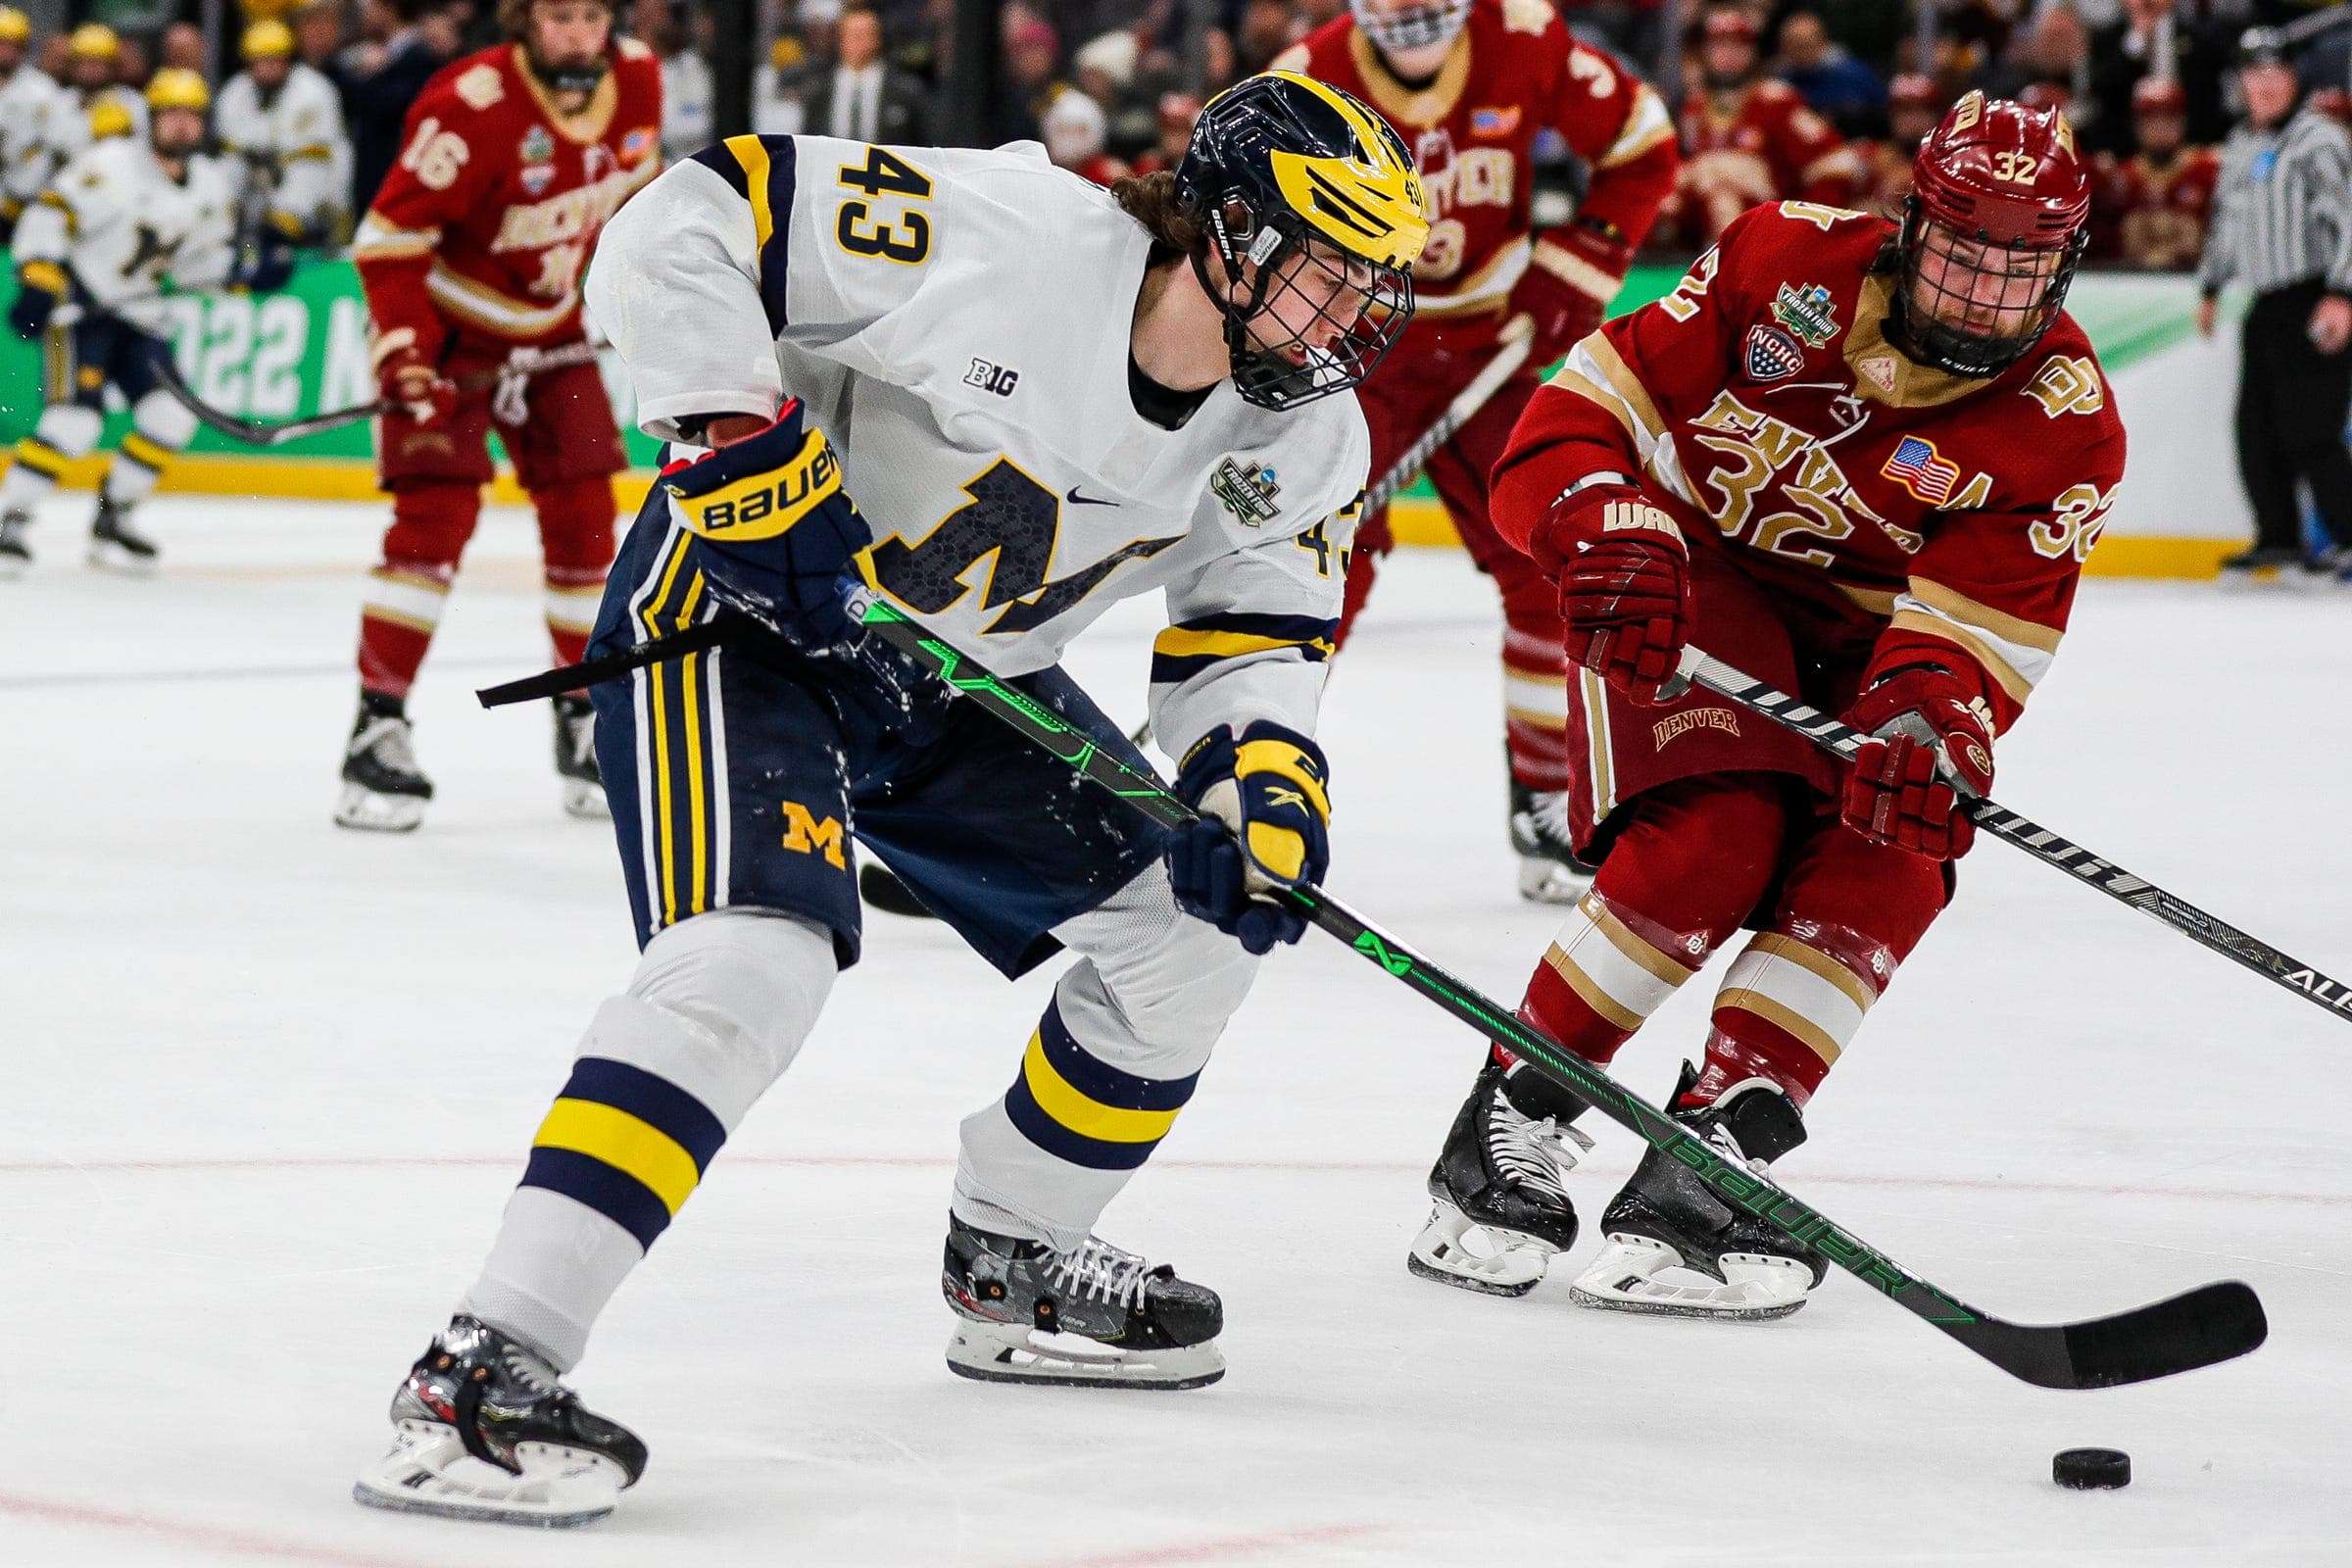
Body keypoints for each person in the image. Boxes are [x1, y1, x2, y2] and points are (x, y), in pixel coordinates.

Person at [349, 71, 1426, 1527]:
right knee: (760, 953)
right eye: (1326, 271)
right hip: (744, 621)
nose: (1353, 316)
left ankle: (1015, 1257)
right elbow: (691, 213)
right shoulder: (1013, 236)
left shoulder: (1301, 432)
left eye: (1375, 284)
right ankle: (481, 1370)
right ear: (1225, 234)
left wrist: (1262, 786)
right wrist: (734, 445)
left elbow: (1252, 633)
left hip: (957, 681)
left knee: (1191, 938)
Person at [1403, 92, 2128, 1319]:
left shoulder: (2066, 430)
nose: (1983, 297)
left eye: (2022, 268)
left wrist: (1928, 728)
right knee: (1716, 838)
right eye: (1963, 255)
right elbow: (1579, 415)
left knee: (1896, 845)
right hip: (1689, 583)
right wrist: (1603, 526)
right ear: (1910, 227)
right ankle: (1513, 1115)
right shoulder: (1781, 257)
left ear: (2067, 263)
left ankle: (1711, 1155)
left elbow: (1968, 637)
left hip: (1867, 648)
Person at [1274, 0, 1679, 904]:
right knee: (1309, 578)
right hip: (1354, 359)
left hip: (1495, 355)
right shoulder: (1304, 78)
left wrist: (1580, 260)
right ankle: (1250, 779)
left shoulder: (1525, 39)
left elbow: (1643, 142)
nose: (1415, 16)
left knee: (1550, 568)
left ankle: (1543, 798)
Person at [336, 0, 663, 829]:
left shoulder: (638, 78)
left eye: (592, 15)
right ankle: (377, 727)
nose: (577, 34)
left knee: (591, 526)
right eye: (558, 16)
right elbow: (388, 238)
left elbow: (641, 201)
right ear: (523, 21)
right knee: (432, 525)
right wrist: (406, 350)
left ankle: (582, 718)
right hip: (453, 335)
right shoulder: (468, 103)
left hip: (553, 336)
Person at [1, 71, 271, 576]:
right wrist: (39, 275)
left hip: (145, 317)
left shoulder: (211, 183)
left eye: (192, 116)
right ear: (151, 119)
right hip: (86, 309)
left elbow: (198, 266)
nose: (182, 126)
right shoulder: (112, 164)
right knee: (75, 422)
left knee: (171, 417)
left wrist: (245, 274)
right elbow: (53, 213)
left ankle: (115, 512)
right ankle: (9, 517)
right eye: (171, 114)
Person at [2196, 27, 2352, 578]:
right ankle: (2279, 536)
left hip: (2315, 296)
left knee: (2310, 428)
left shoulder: (2320, 140)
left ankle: (2348, 537)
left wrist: (2342, 293)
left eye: (2273, 73)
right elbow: (2227, 222)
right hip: (2265, 302)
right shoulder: (2242, 142)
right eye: (2252, 75)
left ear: (2293, 78)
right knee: (2255, 427)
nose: (2262, 85)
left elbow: (2349, 219)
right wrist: (2211, 287)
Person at [1667, 5, 1859, 248]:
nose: (1728, 55)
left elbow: (1835, 163)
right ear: (1705, 52)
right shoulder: (1693, 108)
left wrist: (1804, 230)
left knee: (1724, 195)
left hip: (1767, 231)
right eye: (1719, 45)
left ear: (1753, 51)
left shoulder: (1776, 101)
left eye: (1738, 45)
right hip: (1700, 233)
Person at [216, 18, 356, 247]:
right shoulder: (233, 94)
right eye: (260, 61)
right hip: (258, 201)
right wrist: (228, 212)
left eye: (274, 60)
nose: (267, 68)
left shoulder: (314, 91)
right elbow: (230, 161)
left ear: (288, 60)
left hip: (318, 203)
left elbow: (312, 163)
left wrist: (288, 215)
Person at [2091, 74, 2217, 269]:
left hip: (2193, 281)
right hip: (2131, 286)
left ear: (2182, 122)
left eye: (2168, 120)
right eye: (2151, 121)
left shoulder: (2207, 172)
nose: (2160, 129)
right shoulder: (2118, 179)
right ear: (2137, 126)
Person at [800, 3, 931, 144]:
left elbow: (923, 141)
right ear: (841, 40)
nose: (860, 42)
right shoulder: (818, 91)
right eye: (853, 35)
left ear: (877, 39)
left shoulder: (906, 91)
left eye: (866, 34)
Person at [0, 5, 66, 242]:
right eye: (1, 43)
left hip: (26, 197)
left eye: (12, 45)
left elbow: (54, 148)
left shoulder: (43, 90)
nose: (5, 52)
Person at [1854, 71, 1937, 219]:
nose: (1913, 120)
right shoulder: (1869, 155)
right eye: (1904, 112)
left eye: (1922, 111)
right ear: (1891, 116)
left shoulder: (1946, 166)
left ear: (1935, 115)